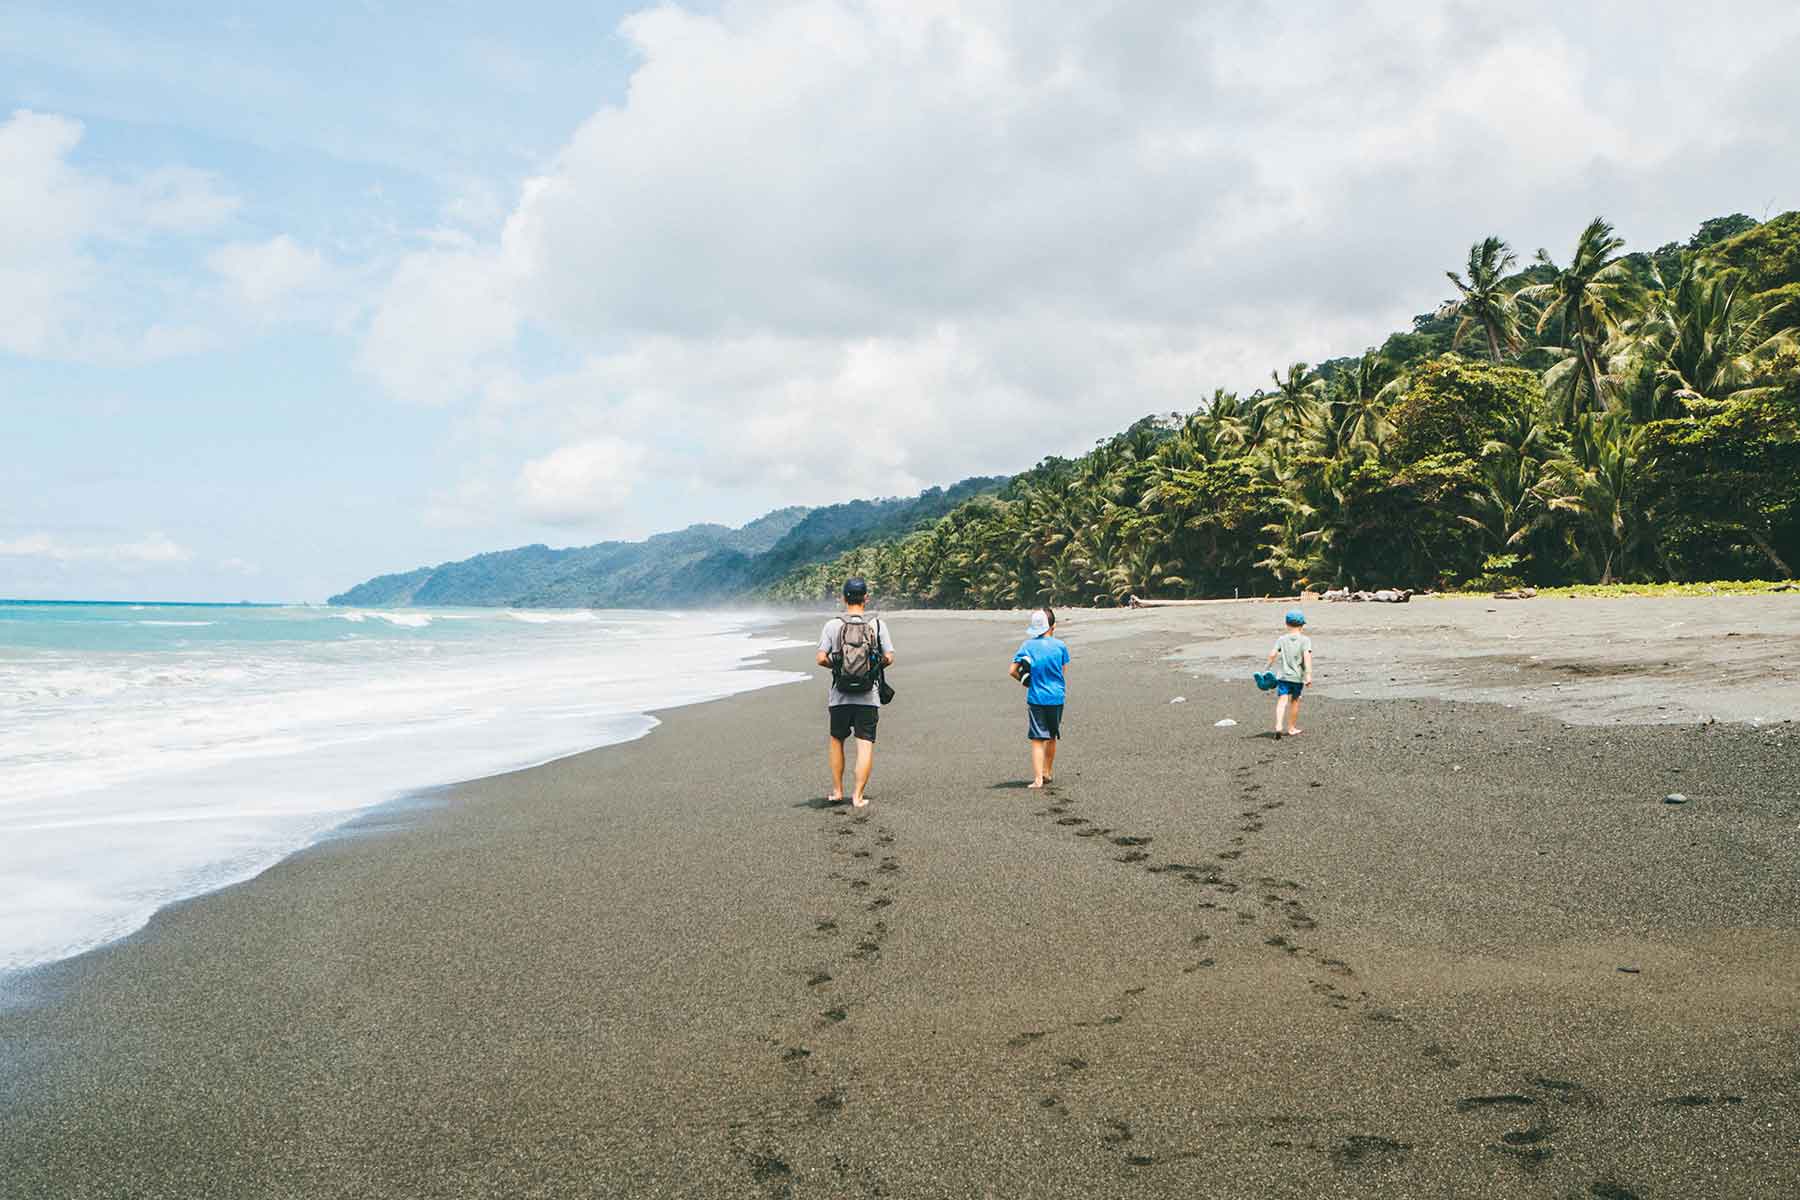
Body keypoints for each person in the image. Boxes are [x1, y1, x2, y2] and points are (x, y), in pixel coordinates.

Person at [817, 577, 895, 808]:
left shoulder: (832, 625)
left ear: (844, 598)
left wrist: (839, 668)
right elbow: (889, 657)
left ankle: (837, 791)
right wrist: (871, 668)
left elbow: (821, 658)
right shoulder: (877, 625)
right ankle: (858, 796)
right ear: (866, 598)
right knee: (865, 743)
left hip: (839, 696)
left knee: (837, 740)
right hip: (868, 696)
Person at [1009, 608, 1070, 789]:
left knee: (1037, 739)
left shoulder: (1027, 646)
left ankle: (1038, 779)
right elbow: (1062, 672)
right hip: (1056, 697)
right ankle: (1047, 772)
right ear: (1053, 626)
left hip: (1036, 697)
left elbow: (1012, 671)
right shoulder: (1060, 646)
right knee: (1051, 736)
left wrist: (1026, 681)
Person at [1266, 608, 1313, 738]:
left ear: (1286, 624)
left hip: (1283, 676)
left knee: (1282, 700)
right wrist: (1308, 675)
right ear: (1302, 625)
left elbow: (1272, 654)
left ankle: (1278, 726)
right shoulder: (1305, 640)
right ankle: (1291, 728)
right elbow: (1307, 657)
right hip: (1297, 677)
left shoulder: (1281, 639)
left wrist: (1267, 668)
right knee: (1295, 701)